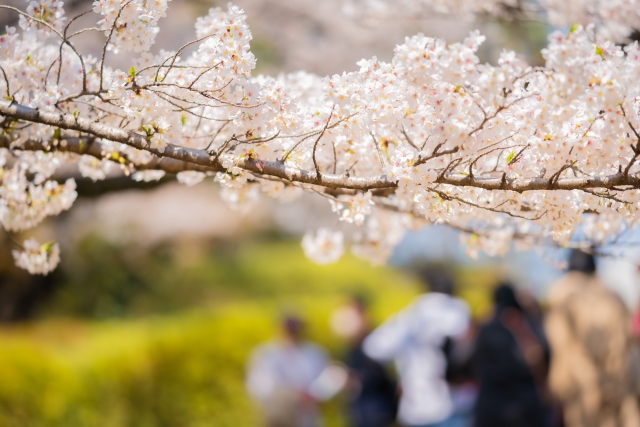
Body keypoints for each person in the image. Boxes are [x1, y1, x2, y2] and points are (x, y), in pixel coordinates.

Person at [363, 267, 470, 427]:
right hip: (455, 404)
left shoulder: (412, 314)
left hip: (415, 407)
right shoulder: (458, 309)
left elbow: (374, 347)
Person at [545, 249, 640, 427]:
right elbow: (625, 341)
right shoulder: (613, 296)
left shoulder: (562, 293)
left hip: (581, 382)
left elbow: (561, 343)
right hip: (617, 379)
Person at [246, 315, 346, 427]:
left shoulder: (315, 352)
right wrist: (293, 396)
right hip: (280, 415)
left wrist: (318, 395)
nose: (292, 333)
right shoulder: (265, 354)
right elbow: (261, 386)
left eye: (295, 328)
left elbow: (328, 378)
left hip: (309, 414)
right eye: (288, 329)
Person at [473, 283, 550, 427]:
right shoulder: (528, 324)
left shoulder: (485, 329)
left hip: (491, 404)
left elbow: (471, 363)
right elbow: (542, 356)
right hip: (525, 404)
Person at [331, 295, 398, 427]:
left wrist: (356, 378)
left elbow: (377, 375)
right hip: (361, 409)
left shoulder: (373, 341)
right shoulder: (353, 345)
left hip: (375, 408)